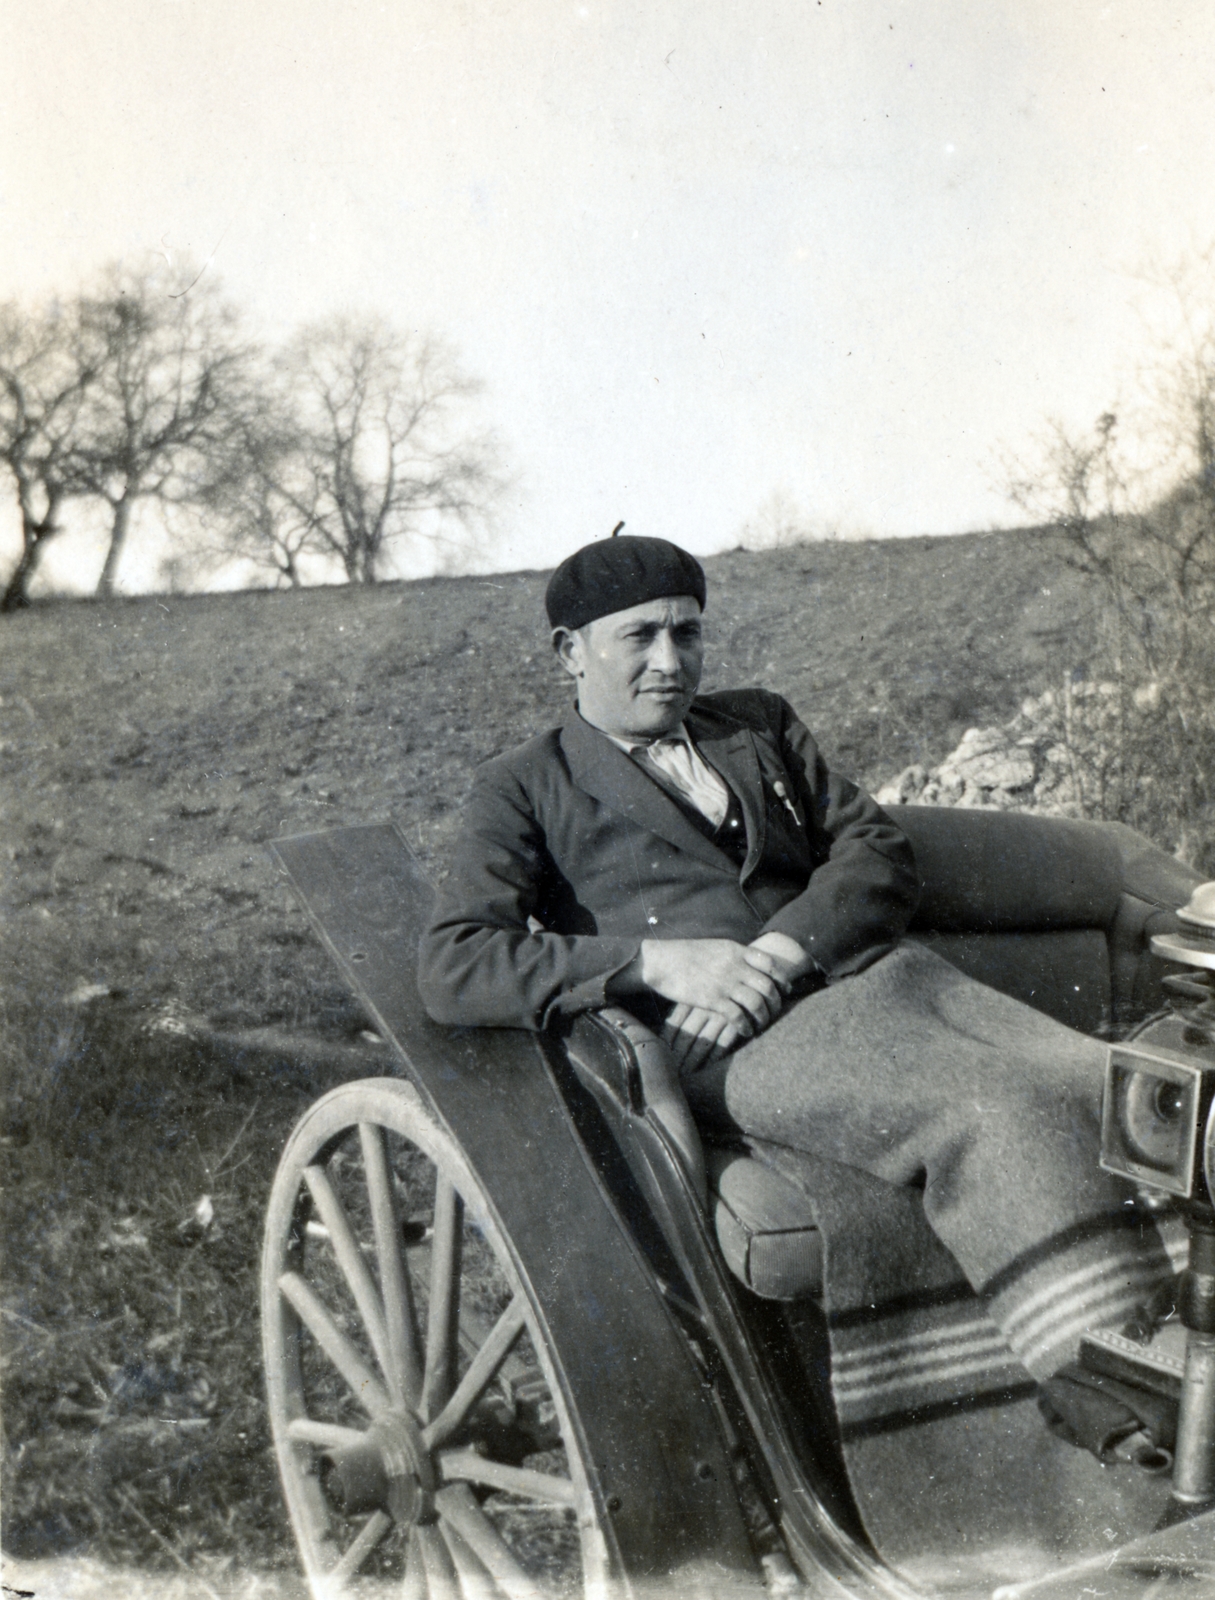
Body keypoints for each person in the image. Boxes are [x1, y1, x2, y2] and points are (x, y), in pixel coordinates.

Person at [417, 531, 1174, 1431]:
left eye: (687, 632)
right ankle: (1115, 1397)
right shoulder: (522, 786)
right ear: (568, 652)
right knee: (996, 1109)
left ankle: (1187, 1342)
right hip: (729, 1042)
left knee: (1113, 1086)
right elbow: (455, 961)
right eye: (639, 637)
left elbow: (874, 849)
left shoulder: (756, 726)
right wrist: (653, 961)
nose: (671, 662)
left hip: (881, 982)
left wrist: (781, 952)